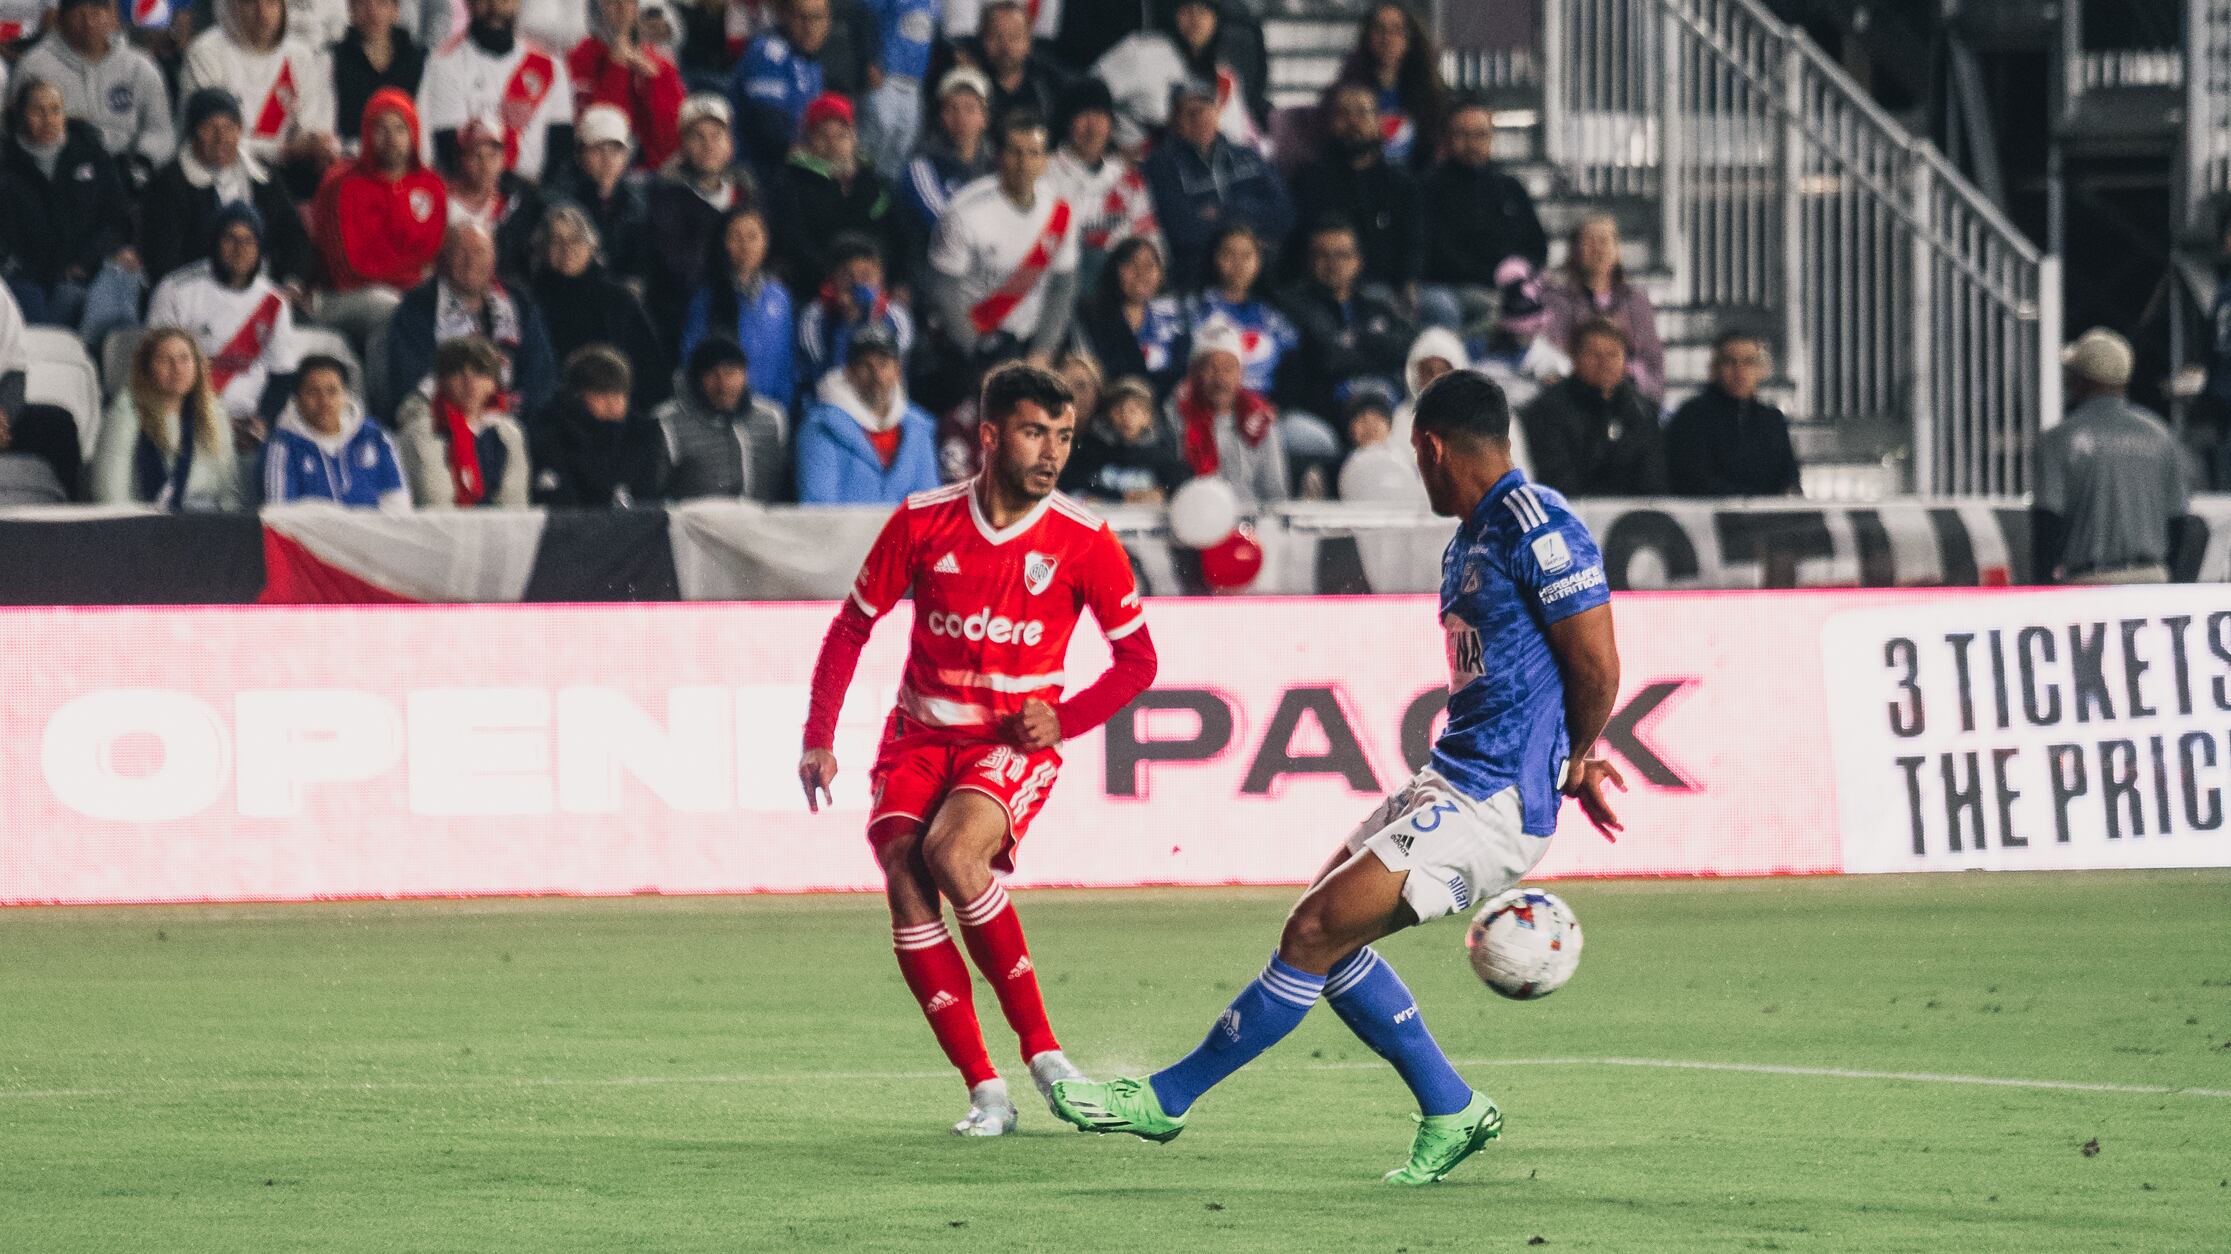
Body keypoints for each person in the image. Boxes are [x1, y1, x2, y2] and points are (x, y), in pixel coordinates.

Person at [1051, 369, 1624, 1188]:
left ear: (1429, 449)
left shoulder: (1537, 525)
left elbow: (1595, 660)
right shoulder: (1468, 539)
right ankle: (1451, 1106)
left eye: (1415, 457)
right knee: (1326, 932)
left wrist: (1577, 754)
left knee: (1313, 931)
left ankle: (1164, 1100)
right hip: (1452, 776)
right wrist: (1576, 751)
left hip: (1494, 798)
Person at [796, 361, 1158, 1136]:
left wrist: (1064, 719)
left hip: (1008, 745)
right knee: (904, 870)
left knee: (954, 854)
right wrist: (818, 737)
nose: (1052, 452)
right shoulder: (922, 521)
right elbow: (852, 626)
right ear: (990, 436)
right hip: (920, 736)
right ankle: (985, 1090)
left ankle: (1044, 1054)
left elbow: (1138, 661)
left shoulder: (1084, 541)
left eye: (1063, 436)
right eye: (1035, 433)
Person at [2033, 328, 2191, 586]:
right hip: (2153, 581)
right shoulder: (2160, 436)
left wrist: (2042, 589)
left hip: (2089, 582)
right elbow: (2178, 520)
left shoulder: (2058, 440)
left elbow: (2047, 521)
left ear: (2081, 380)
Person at [927, 106, 1077, 372]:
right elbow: (945, 293)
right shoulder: (964, 213)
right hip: (973, 345)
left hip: (1032, 345)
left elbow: (1061, 289)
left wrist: (1042, 352)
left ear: (1046, 160)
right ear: (999, 156)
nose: (1024, 163)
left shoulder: (1060, 212)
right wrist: (978, 356)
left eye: (1033, 153)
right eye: (1015, 152)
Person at [0, 75, 143, 338]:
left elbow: (117, 219)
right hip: (28, 279)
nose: (48, 120)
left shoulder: (90, 154)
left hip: (88, 270)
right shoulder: (6, 164)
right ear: (20, 114)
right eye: (38, 111)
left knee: (116, 278)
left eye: (55, 110)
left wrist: (85, 262)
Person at [309, 86, 446, 350]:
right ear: (366, 133)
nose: (391, 138)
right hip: (338, 297)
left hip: (411, 294)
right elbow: (347, 271)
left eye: (400, 129)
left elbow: (432, 256)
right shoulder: (340, 184)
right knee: (392, 309)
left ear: (414, 132)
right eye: (381, 128)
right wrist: (411, 276)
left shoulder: (432, 185)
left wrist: (410, 277)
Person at [141, 87, 316, 285]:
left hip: (261, 288)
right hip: (195, 291)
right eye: (209, 127)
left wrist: (291, 281)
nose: (221, 138)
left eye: (229, 127)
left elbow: (293, 236)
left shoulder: (263, 176)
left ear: (240, 130)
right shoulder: (168, 184)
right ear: (192, 133)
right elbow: (162, 260)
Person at [146, 201, 300, 424]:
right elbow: (159, 369)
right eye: (230, 239)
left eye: (249, 240)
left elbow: (282, 374)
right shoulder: (175, 289)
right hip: (190, 417)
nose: (240, 249)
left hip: (250, 422)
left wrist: (262, 422)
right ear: (214, 242)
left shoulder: (274, 300)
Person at [384, 220, 558, 416]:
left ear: (493, 257)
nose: (471, 262)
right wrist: (469, 410)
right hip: (437, 416)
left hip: (514, 417)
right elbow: (410, 378)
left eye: (479, 252)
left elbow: (541, 375)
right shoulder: (418, 306)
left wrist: (509, 409)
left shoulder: (519, 303)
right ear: (445, 258)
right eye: (461, 252)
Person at [1142, 78, 1291, 289]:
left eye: (1206, 108)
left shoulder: (1248, 156)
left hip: (1262, 274)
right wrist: (1243, 239)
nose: (1200, 118)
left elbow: (1284, 214)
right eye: (1191, 113)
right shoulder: (1160, 166)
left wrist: (1226, 212)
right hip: (1197, 279)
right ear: (1175, 121)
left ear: (1217, 112)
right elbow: (1181, 231)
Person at [1275, 215, 1412, 440]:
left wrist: (1356, 340)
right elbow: (1325, 358)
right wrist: (1377, 347)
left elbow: (1407, 348)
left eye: (1342, 255)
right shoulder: (1291, 305)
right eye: (1323, 255)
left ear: (1358, 261)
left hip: (1386, 402)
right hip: (1328, 412)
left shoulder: (1376, 306)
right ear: (1309, 260)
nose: (1333, 264)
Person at [90, 325, 251, 510]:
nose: (177, 368)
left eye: (185, 359)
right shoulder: (126, 410)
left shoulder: (214, 410)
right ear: (148, 367)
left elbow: (228, 490)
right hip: (144, 519)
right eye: (165, 360)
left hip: (207, 518)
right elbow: (110, 492)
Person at [530, 203, 669, 411]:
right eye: (556, 240)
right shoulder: (532, 300)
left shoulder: (619, 299)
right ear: (543, 248)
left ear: (592, 245)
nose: (567, 248)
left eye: (576, 239)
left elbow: (651, 371)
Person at [17, 0, 175, 181]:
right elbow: (19, 132)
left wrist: (142, 164)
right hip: (56, 174)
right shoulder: (34, 67)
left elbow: (160, 132)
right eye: (79, 14)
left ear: (112, 17)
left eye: (96, 12)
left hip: (126, 171)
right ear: (61, 19)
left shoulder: (140, 67)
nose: (88, 22)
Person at [1287, 80, 1421, 295]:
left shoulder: (1402, 184)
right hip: (1322, 287)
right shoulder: (1309, 179)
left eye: (1362, 113)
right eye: (1344, 114)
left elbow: (1414, 244)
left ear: (1378, 122)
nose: (1353, 122)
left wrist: (1408, 283)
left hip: (1386, 286)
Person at [764, 90, 906, 292]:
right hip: (814, 288)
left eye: (841, 135)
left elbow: (897, 237)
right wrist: (836, 280)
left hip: (875, 285)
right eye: (823, 135)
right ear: (809, 140)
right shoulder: (791, 182)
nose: (833, 144)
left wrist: (890, 279)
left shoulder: (874, 182)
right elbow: (793, 242)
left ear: (854, 137)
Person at [419, 0, 574, 182]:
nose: (495, 4)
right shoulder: (444, 65)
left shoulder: (549, 67)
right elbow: (448, 150)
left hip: (536, 191)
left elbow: (561, 148)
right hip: (468, 190)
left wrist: (535, 194)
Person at [180, 0, 339, 173]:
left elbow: (311, 125)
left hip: (289, 172)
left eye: (271, 3)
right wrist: (284, 151)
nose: (263, 14)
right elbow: (211, 140)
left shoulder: (300, 56)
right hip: (218, 171)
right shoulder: (206, 53)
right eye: (250, 3)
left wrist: (317, 143)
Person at [645, 93, 757, 333]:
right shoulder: (665, 197)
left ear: (730, 143)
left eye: (717, 135)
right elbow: (678, 267)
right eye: (697, 136)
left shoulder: (747, 192)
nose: (709, 145)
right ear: (683, 144)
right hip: (689, 315)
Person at [1518, 316, 1665, 497]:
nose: (1605, 364)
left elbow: (1653, 479)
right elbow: (1555, 479)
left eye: (1613, 354)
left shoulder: (1642, 410)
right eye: (1594, 355)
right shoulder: (1548, 410)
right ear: (1574, 357)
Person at [1093, 0, 1265, 153]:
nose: (1195, 17)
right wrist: (1111, 153)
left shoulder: (1225, 77)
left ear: (1216, 19)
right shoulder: (1141, 52)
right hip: (1139, 172)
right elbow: (1086, 98)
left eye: (1204, 9)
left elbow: (1238, 141)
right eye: (1186, 7)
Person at [1042, 76, 1159, 295]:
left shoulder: (1127, 177)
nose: (1093, 126)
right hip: (1065, 288)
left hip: (1123, 289)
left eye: (1100, 115)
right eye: (1083, 116)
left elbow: (1150, 240)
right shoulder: (1044, 174)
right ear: (1067, 121)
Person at [793, 322, 935, 503]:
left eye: (883, 365)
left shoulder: (918, 429)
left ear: (897, 371)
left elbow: (929, 504)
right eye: (866, 366)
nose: (876, 375)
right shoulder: (820, 427)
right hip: (845, 523)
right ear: (849, 373)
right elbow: (818, 506)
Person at [261, 352, 411, 510]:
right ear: (297, 399)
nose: (324, 401)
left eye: (332, 391)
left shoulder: (376, 437)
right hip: (311, 527)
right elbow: (281, 513)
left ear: (346, 395)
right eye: (313, 392)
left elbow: (398, 505)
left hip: (373, 526)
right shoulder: (282, 445)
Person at [396, 332, 531, 508]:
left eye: (480, 371)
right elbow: (435, 501)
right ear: (441, 381)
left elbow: (514, 506)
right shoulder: (424, 429)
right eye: (457, 371)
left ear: (493, 383)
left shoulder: (507, 432)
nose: (469, 381)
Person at [1543, 213, 1665, 404]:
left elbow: (1652, 362)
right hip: (1576, 395)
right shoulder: (1556, 299)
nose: (1597, 249)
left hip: (1628, 395)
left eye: (1604, 241)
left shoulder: (1636, 300)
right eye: (1589, 241)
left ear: (1617, 251)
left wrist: (1622, 370)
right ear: (1574, 251)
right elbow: (1555, 352)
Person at [681, 204, 794, 407]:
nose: (745, 246)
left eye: (753, 236)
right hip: (721, 406)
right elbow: (692, 354)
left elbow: (787, 362)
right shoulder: (707, 296)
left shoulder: (779, 296)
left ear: (766, 242)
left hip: (771, 408)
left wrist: (784, 407)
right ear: (723, 242)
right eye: (736, 237)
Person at [530, 343, 669, 507]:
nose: (613, 403)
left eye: (619, 393)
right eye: (601, 394)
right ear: (577, 394)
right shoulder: (550, 433)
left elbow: (649, 497)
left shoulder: (644, 435)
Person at [1664, 331, 1797, 498]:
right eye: (1730, 362)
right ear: (1714, 369)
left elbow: (1789, 476)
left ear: (1761, 370)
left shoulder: (1773, 420)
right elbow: (1694, 480)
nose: (1740, 371)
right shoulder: (1691, 417)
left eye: (1749, 362)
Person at [657, 334, 789, 500]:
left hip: (760, 515)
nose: (723, 385)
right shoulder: (668, 423)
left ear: (745, 374)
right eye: (712, 375)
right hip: (695, 516)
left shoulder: (772, 419)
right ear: (697, 380)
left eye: (730, 373)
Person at [1169, 318, 1283, 504]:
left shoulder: (1261, 419)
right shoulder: (1175, 415)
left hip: (1249, 516)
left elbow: (1275, 493)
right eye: (1211, 368)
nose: (1220, 379)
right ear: (1195, 373)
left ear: (1240, 374)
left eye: (1228, 368)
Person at [545, 103, 653, 284]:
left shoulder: (640, 199)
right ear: (580, 154)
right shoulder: (557, 199)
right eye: (597, 149)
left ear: (627, 155)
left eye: (616, 149)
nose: (607, 159)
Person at [569, 0, 684, 170]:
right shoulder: (581, 56)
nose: (622, 8)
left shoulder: (660, 63)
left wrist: (653, 80)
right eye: (612, 3)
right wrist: (617, 66)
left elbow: (672, 139)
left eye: (629, 2)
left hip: (654, 171)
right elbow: (599, 128)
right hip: (600, 167)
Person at [1184, 222, 1295, 399]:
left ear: (1259, 261)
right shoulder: (1194, 307)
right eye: (1228, 254)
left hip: (1267, 403)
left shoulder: (1274, 312)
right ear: (1213, 258)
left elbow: (1292, 358)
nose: (1238, 263)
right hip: (1210, 402)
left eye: (1247, 255)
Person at [895, 65, 991, 262]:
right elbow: (944, 224)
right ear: (940, 116)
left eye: (970, 109)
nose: (961, 118)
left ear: (984, 118)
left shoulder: (997, 164)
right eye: (951, 109)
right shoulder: (921, 165)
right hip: (934, 269)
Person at [796, 231, 912, 391]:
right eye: (847, 276)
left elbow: (893, 373)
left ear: (880, 277)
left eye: (865, 275)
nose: (857, 284)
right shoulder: (814, 317)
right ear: (832, 279)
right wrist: (847, 322)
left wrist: (870, 316)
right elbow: (826, 378)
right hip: (833, 397)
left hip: (882, 396)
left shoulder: (897, 316)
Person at [1076, 236, 1186, 401]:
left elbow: (1179, 373)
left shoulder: (1173, 316)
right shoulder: (1091, 315)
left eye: (1149, 265)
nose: (1141, 273)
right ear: (1115, 270)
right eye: (1131, 264)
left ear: (1161, 274)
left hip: (1163, 405)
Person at [1338, 0, 1445, 167]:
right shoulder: (1348, 90)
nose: (1386, 39)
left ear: (1410, 38)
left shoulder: (1431, 93)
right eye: (1379, 29)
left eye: (1396, 30)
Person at [442, 112, 546, 283]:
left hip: (505, 287)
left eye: (492, 155)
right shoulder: (442, 200)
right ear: (462, 159)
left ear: (504, 158)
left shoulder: (519, 201)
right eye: (476, 155)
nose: (485, 165)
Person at [728, 0, 828, 169]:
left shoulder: (809, 60)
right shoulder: (769, 52)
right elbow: (767, 128)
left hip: (795, 165)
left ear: (828, 20)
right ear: (783, 16)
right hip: (760, 170)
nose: (809, 27)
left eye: (817, 17)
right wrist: (815, 161)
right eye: (801, 17)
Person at [1059, 374, 1186, 505]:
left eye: (1134, 410)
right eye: (1118, 409)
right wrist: (1118, 496)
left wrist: (1161, 492)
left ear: (1148, 418)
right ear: (1108, 414)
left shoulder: (1159, 452)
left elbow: (1179, 482)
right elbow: (1073, 480)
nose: (1126, 416)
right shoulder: (1092, 447)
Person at [328, 0, 425, 147]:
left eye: (382, 3)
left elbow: (423, 119)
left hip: (403, 153)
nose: (373, 13)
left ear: (395, 10)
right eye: (363, 4)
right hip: (351, 152)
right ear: (351, 11)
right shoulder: (334, 59)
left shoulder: (416, 59)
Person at [855, 0, 934, 179]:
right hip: (887, 74)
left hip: (915, 82)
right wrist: (870, 59)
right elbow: (865, 17)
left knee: (904, 141)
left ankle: (887, 190)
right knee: (879, 130)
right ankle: (860, 183)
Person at [966, 0, 1064, 129]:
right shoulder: (968, 82)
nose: (1005, 46)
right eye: (996, 35)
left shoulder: (1051, 83)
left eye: (1014, 36)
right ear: (982, 39)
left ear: (1029, 40)